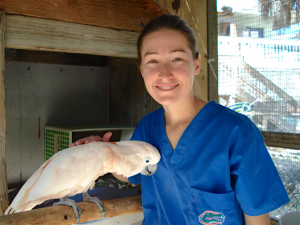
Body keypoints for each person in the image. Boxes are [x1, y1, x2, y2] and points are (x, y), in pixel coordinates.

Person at [71, 14, 290, 225]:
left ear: (196, 64)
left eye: (177, 58)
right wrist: (104, 153)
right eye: (153, 61)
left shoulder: (237, 132)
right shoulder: (147, 128)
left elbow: (257, 215)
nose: (165, 74)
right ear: (141, 69)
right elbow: (131, 174)